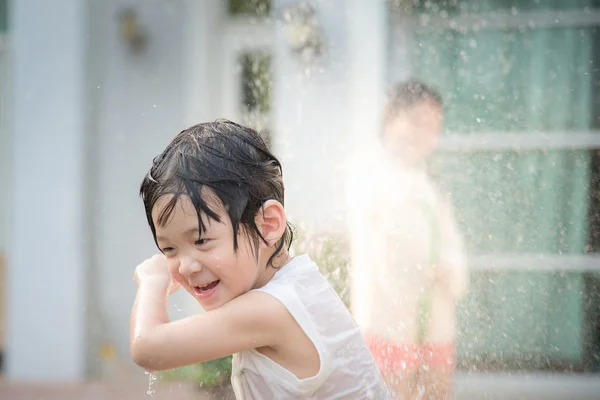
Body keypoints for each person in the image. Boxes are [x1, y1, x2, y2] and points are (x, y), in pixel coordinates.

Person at [130, 120, 390, 399]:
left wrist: (152, 281)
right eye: (168, 249)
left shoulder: (272, 308)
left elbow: (149, 348)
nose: (185, 265)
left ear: (268, 224)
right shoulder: (296, 287)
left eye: (201, 240)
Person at [347, 81, 469, 399]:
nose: (424, 134)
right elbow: (381, 246)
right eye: (416, 122)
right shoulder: (371, 178)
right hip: (388, 319)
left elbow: (451, 245)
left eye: (433, 127)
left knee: (436, 392)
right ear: (390, 121)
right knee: (391, 392)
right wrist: (416, 272)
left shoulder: (432, 185)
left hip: (436, 318)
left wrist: (449, 270)